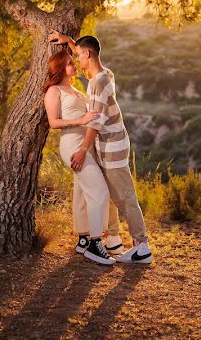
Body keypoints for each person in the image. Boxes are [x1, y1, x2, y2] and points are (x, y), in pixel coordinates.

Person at [48, 31, 153, 264]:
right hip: (108, 146)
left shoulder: (99, 83)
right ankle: (113, 239)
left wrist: (83, 150)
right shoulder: (104, 75)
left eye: (78, 55)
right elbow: (86, 56)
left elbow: (94, 123)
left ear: (87, 54)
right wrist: (68, 41)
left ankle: (142, 246)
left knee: (124, 196)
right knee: (112, 194)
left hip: (112, 148)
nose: (76, 60)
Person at [42, 50, 117, 265]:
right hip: (73, 146)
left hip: (88, 146)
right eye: (68, 63)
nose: (73, 65)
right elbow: (54, 123)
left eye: (73, 62)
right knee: (100, 190)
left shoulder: (76, 90)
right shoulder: (54, 91)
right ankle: (95, 243)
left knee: (83, 192)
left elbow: (93, 61)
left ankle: (83, 238)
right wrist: (81, 120)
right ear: (59, 68)